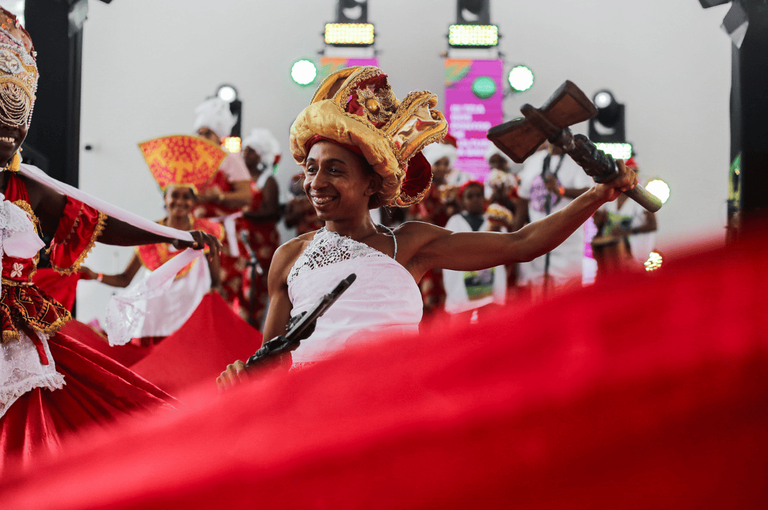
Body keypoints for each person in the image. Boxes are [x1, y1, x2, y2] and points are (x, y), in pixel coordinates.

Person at [217, 66, 635, 385]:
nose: (316, 182)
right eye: (311, 169)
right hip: (316, 417)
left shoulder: (410, 244)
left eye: (335, 170)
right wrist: (241, 375)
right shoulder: (289, 257)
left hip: (397, 407)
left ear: (371, 183)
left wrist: (597, 195)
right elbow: (269, 364)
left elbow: (521, 244)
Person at [0, 12, 220, 470]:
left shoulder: (26, 187)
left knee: (102, 423)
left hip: (19, 337)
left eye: (18, 118)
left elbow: (97, 220)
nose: (10, 129)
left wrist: (172, 237)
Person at [80, 136, 225, 343]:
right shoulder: (148, 234)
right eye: (175, 195)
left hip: (190, 331)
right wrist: (96, 275)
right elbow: (124, 279)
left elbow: (216, 284)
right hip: (152, 329)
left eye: (187, 197)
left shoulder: (206, 234)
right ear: (165, 198)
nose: (180, 202)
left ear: (194, 201)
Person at [192, 98, 251, 315]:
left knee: (226, 289)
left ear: (220, 137)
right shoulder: (191, 162)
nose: (202, 137)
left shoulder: (230, 160)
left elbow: (246, 197)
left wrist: (219, 197)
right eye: (199, 132)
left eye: (208, 133)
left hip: (223, 237)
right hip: (195, 235)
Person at [513, 143, 594, 299]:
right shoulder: (535, 160)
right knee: (535, 295)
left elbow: (588, 192)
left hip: (567, 243)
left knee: (568, 295)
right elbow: (523, 199)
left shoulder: (577, 161)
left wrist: (560, 190)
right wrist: (514, 235)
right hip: (536, 240)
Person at [442, 181, 508, 324]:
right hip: (462, 287)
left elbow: (506, 248)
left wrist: (497, 233)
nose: (475, 199)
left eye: (479, 195)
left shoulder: (494, 219)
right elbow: (453, 248)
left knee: (490, 327)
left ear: (485, 198)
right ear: (462, 201)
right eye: (469, 196)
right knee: (460, 328)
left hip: (490, 284)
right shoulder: (455, 221)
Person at [238, 129, 282, 327]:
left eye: (250, 151)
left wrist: (244, 214)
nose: (245, 154)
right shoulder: (241, 181)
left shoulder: (268, 181)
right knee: (240, 289)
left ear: (261, 156)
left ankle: (254, 331)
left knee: (257, 289)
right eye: (245, 150)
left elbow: (272, 211)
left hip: (262, 243)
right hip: (244, 242)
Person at [592, 156, 658, 276]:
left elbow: (653, 225)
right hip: (613, 248)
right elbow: (600, 219)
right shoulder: (611, 195)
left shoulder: (643, 197)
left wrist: (627, 231)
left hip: (634, 248)